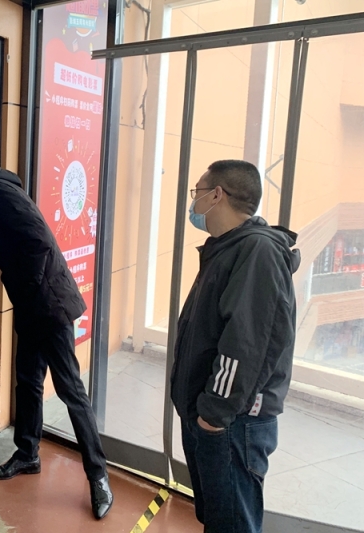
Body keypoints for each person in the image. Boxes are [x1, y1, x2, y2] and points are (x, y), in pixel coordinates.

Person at [0, 146, 112, 520]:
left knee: (70, 389)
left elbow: (37, 239)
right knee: (28, 381)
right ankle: (27, 453)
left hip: (48, 303)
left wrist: (29, 286)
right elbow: (17, 236)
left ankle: (98, 475)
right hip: (34, 303)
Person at [172, 160, 300, 533]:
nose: (194, 202)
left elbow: (247, 344)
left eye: (197, 192)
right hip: (212, 416)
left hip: (231, 422)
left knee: (232, 524)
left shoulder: (257, 252)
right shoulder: (228, 248)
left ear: (217, 195)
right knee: (218, 518)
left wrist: (213, 415)